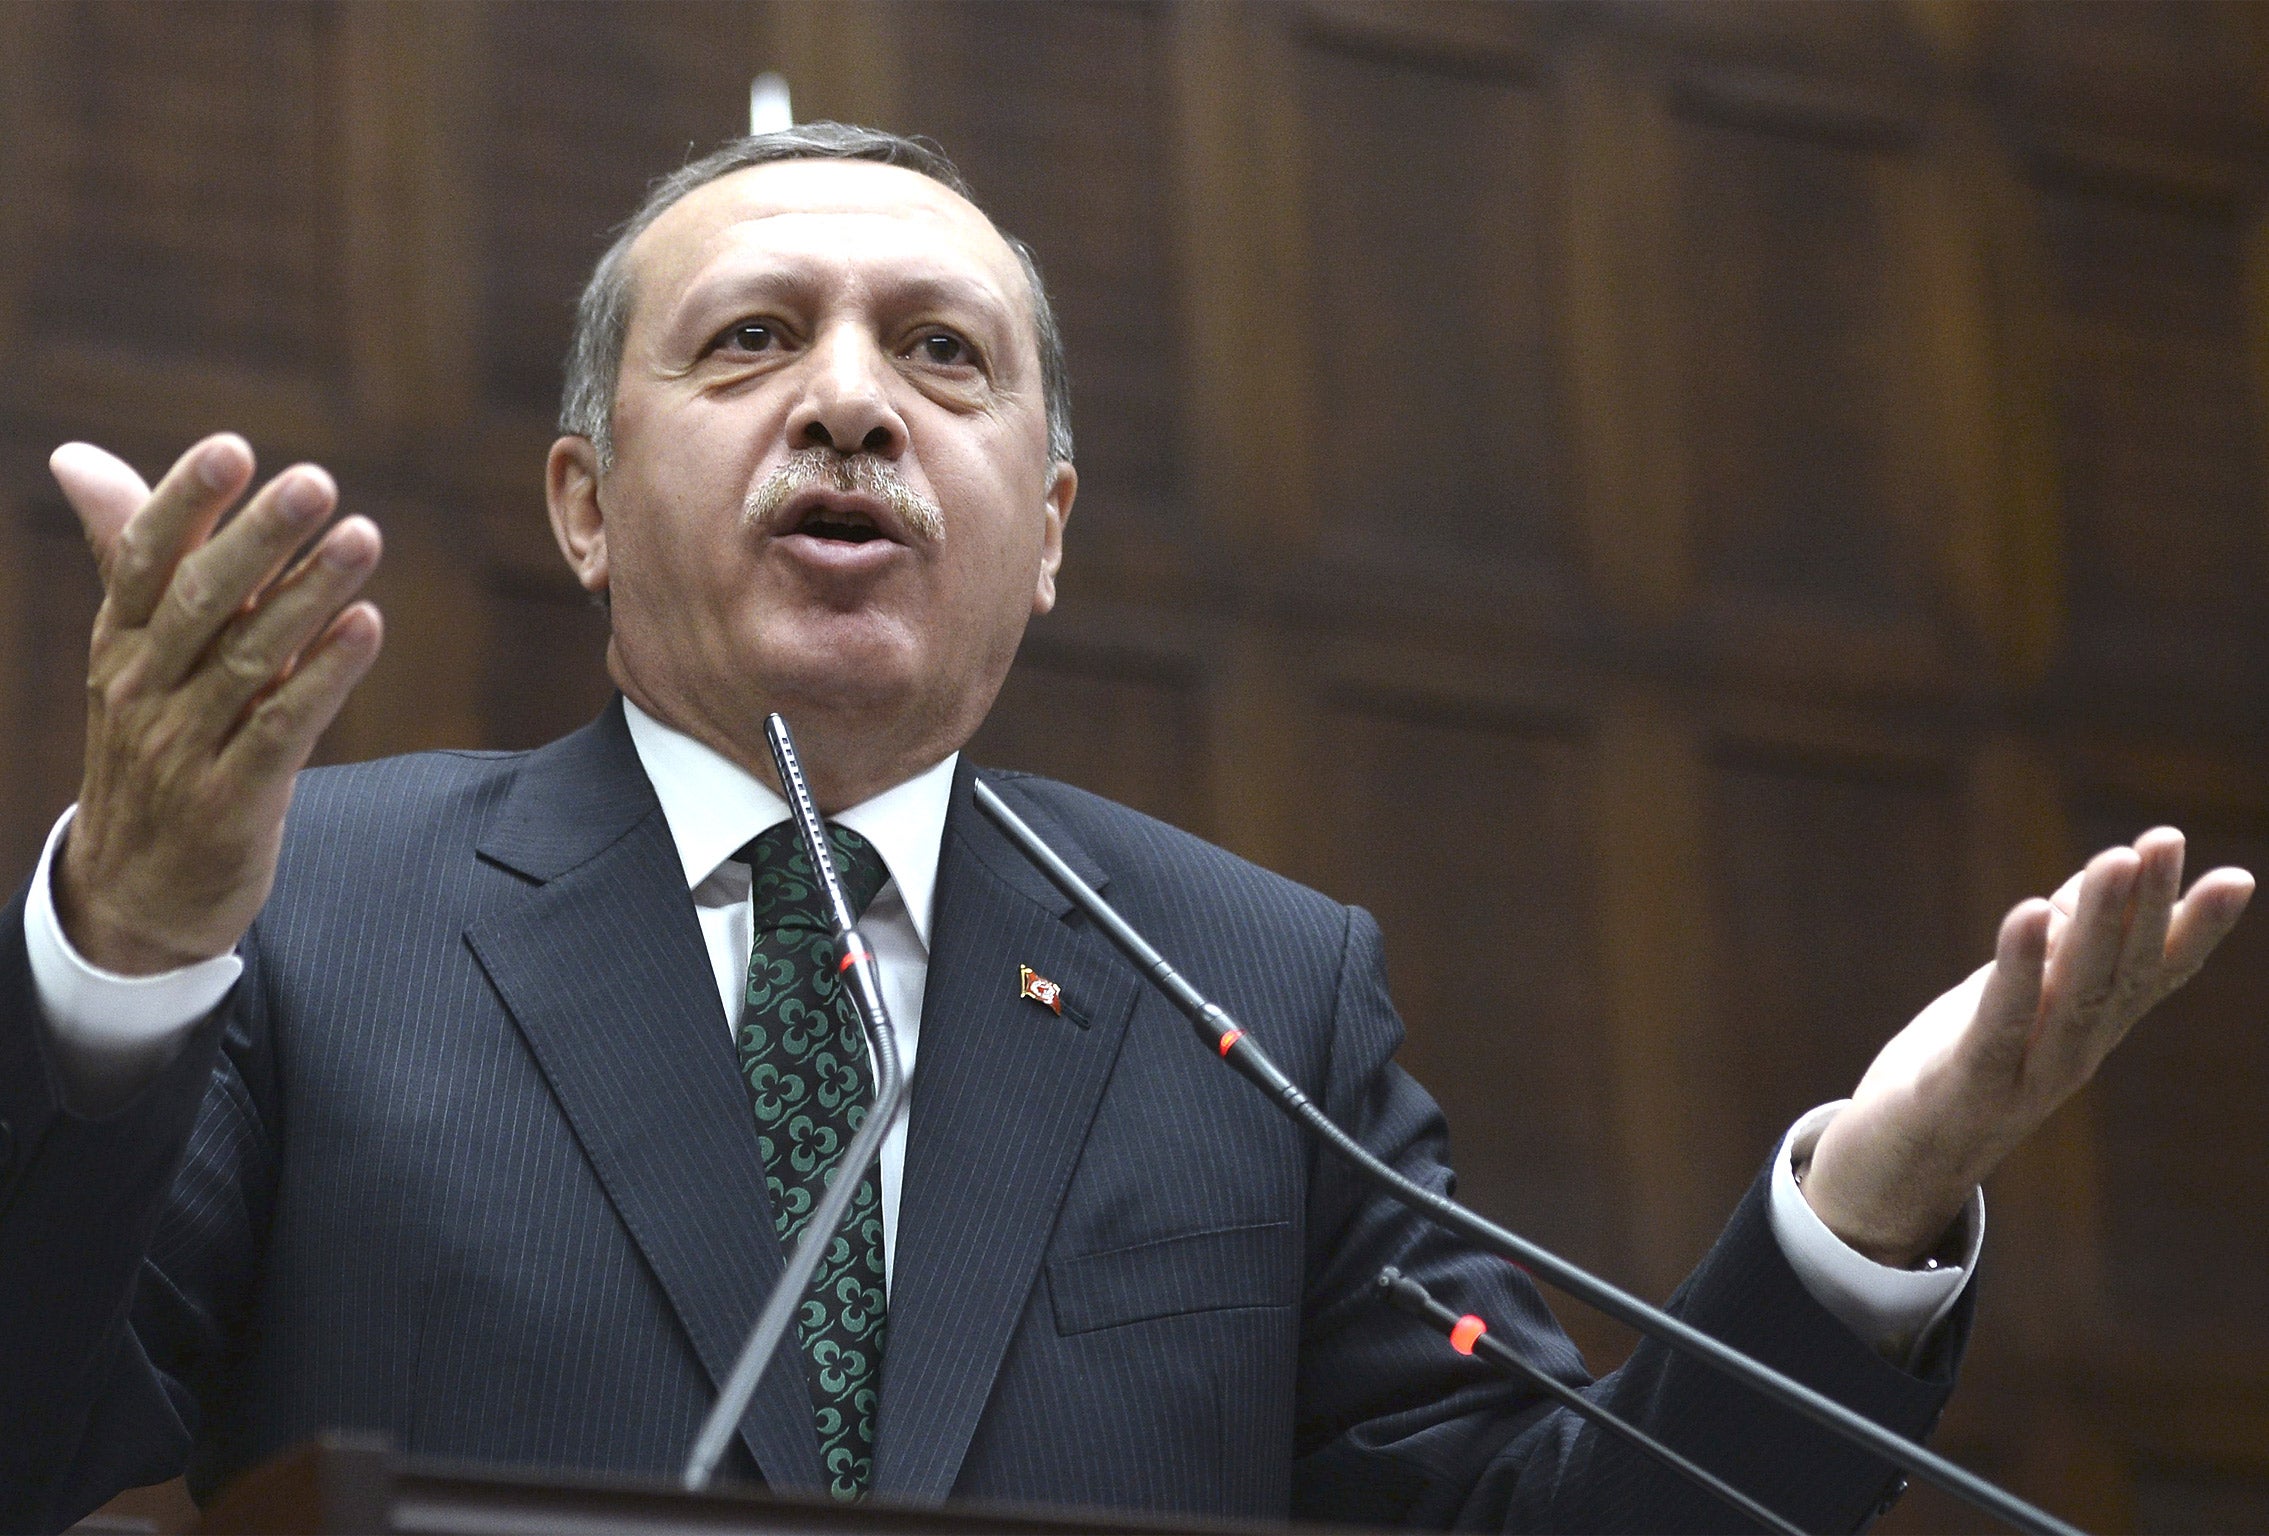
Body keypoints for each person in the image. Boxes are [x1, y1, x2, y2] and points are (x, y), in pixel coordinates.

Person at [0, 124, 2252, 1533]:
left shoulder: (1248, 987)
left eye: (943, 358)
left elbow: (1539, 1522)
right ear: (584, 503)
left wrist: (1861, 1206)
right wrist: (120, 966)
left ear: (1049, 529)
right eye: (754, 340)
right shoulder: (328, 919)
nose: (855, 401)